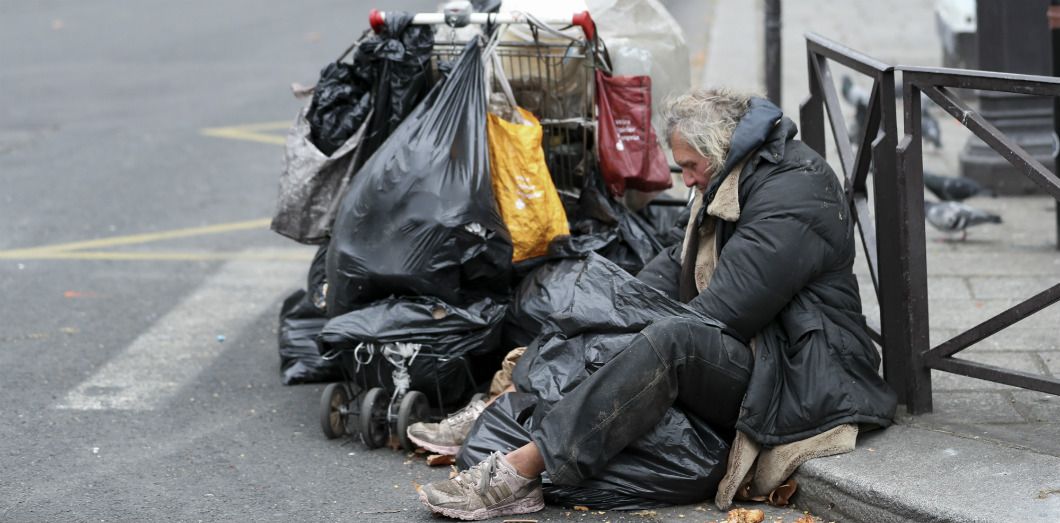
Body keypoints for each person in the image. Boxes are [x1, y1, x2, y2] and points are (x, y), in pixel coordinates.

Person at [414, 88, 898, 521]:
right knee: (599, 303)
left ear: (719, 151)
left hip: (800, 369)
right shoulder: (732, 173)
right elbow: (677, 258)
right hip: (756, 346)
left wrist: (632, 324)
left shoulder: (795, 190)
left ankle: (524, 469)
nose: (684, 180)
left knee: (671, 342)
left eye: (689, 167)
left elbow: (727, 311)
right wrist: (617, 306)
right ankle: (503, 407)